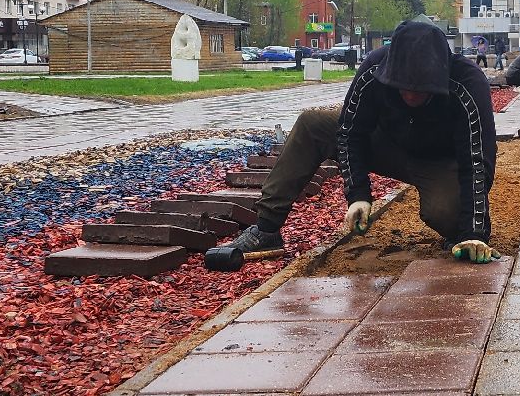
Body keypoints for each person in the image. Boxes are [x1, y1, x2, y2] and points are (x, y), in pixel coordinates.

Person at [214, 19, 500, 266]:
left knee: (447, 215)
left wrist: (474, 233)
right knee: (312, 123)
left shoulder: (467, 83)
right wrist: (358, 194)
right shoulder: (375, 69)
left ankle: (460, 232)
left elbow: (477, 160)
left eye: (419, 88)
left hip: (441, 162)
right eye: (402, 86)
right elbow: (350, 133)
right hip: (388, 145)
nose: (410, 96)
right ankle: (266, 229)